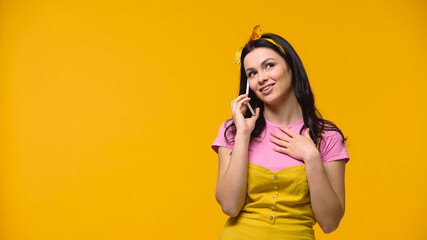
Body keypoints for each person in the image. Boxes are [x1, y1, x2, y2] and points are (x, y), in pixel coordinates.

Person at [211, 25, 350, 240]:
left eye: (269, 66)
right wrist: (243, 135)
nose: (261, 78)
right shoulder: (234, 130)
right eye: (252, 73)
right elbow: (229, 206)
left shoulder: (327, 136)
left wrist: (311, 157)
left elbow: (330, 222)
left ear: (291, 66)